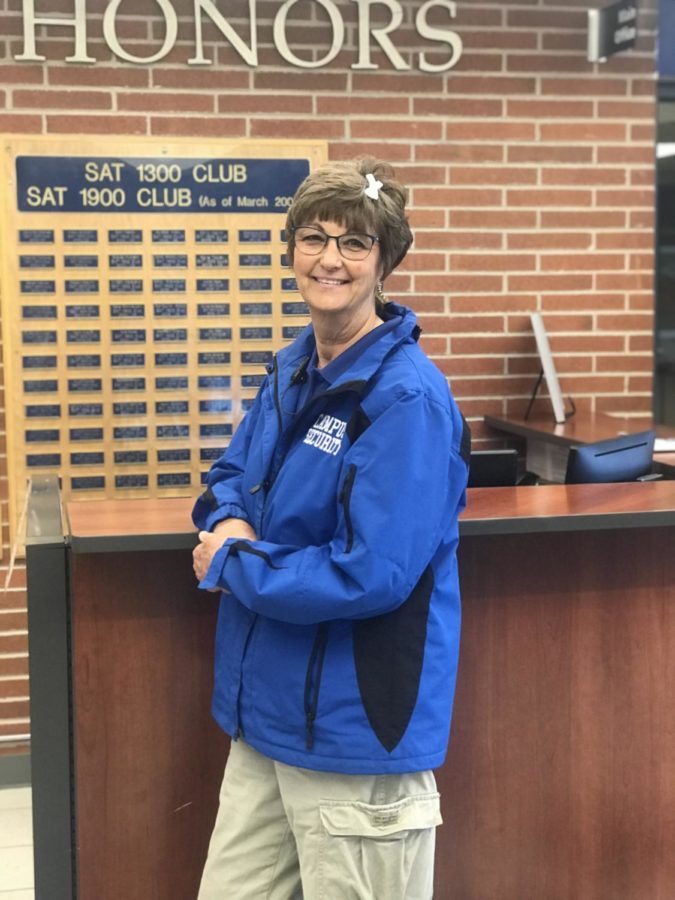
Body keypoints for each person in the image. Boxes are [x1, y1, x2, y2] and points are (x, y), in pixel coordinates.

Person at [192, 156, 470, 900]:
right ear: (290, 251)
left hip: (352, 731)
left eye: (354, 243)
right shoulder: (289, 370)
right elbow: (228, 479)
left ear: (385, 260)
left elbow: (371, 571)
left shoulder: (406, 399)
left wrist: (234, 562)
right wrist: (230, 521)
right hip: (266, 723)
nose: (329, 259)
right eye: (313, 237)